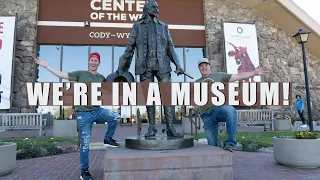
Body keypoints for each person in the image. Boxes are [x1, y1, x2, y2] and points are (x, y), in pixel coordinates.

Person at [35, 52, 120, 180]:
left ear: (99, 63)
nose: (93, 62)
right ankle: (84, 171)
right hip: (83, 115)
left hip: (97, 111)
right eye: (91, 60)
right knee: (85, 144)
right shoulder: (81, 74)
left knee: (115, 116)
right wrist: (46, 66)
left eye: (95, 61)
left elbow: (110, 89)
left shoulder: (101, 77)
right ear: (88, 61)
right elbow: (63, 75)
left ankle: (107, 139)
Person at [117, 0, 185, 137]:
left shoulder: (164, 26)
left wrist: (178, 64)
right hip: (144, 66)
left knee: (168, 96)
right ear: (146, 9)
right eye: (154, 7)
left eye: (157, 7)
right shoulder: (137, 26)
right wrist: (122, 66)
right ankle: (152, 127)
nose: (156, 10)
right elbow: (130, 47)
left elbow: (170, 47)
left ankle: (171, 128)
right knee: (149, 97)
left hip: (163, 65)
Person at [195, 58, 268, 152]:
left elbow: (238, 76)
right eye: (201, 66)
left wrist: (254, 72)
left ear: (210, 66)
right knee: (212, 145)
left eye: (206, 65)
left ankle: (230, 143)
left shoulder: (219, 76)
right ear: (199, 68)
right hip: (206, 115)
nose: (204, 67)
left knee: (230, 110)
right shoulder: (197, 82)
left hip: (218, 109)